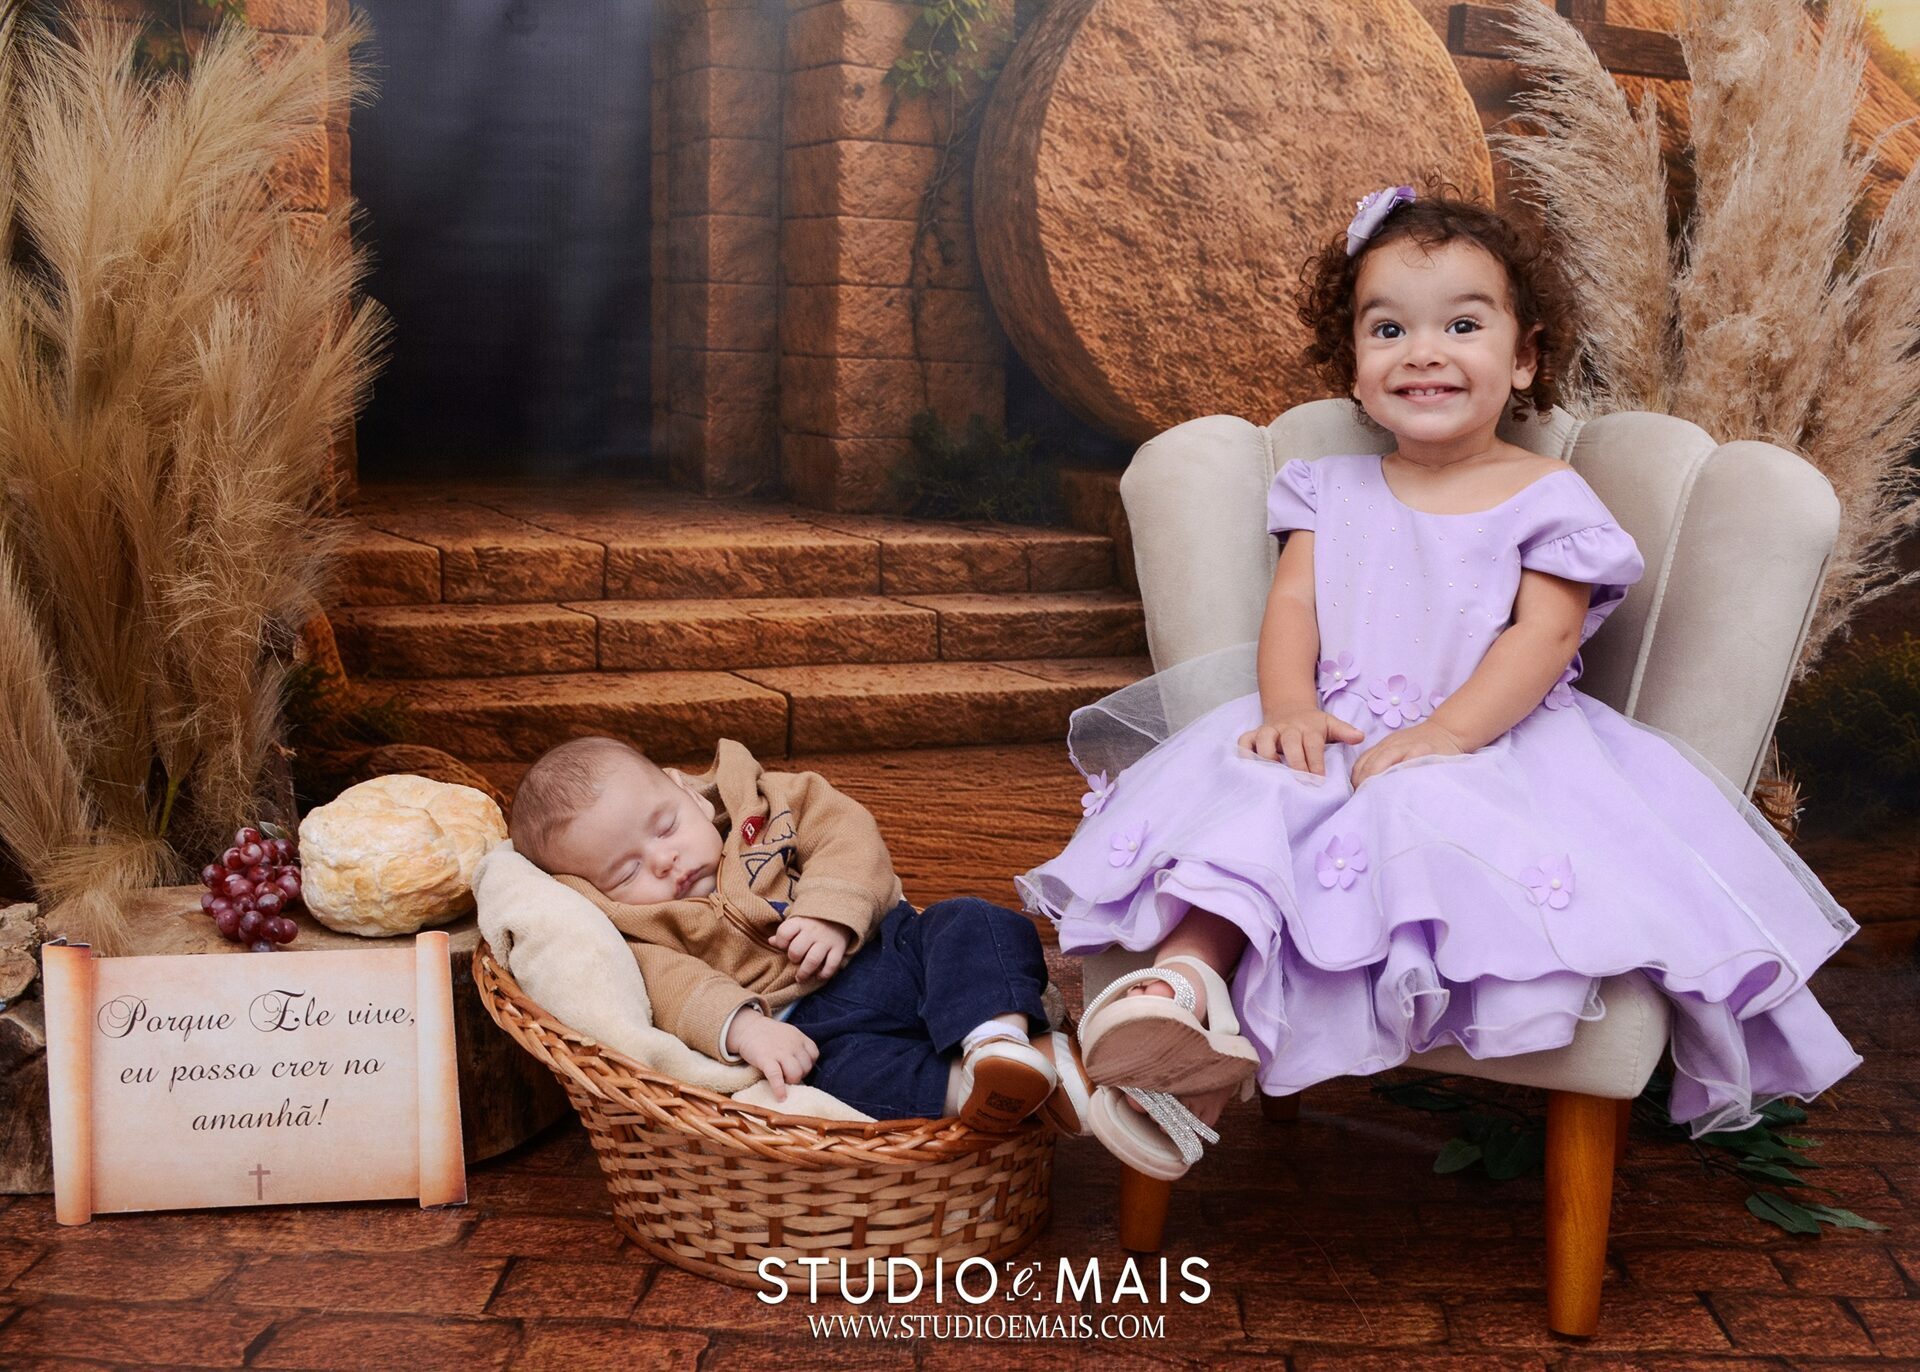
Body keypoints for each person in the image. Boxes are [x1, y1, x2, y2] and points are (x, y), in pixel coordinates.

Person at [1017, 185, 1861, 1179]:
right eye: (1389, 329)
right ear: (1355, 368)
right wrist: (1289, 706)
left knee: (1413, 819)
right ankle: (1183, 997)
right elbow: (1294, 609)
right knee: (1258, 795)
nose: (1423, 351)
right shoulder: (1328, 488)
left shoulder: (1546, 493)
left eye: (1462, 325)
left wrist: (1450, 733)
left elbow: (1543, 634)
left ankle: (1194, 1066)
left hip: (1488, 738)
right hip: (1337, 718)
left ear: (1525, 356)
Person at [510, 734, 1090, 1131]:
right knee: (837, 1080)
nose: (664, 861)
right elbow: (675, 988)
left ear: (689, 793)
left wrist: (829, 910)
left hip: (890, 947)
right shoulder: (644, 931)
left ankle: (995, 1040)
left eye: (665, 827)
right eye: (627, 872)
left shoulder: (770, 807)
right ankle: (977, 1090)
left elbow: (843, 833)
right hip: (811, 1023)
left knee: (970, 921)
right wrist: (746, 1029)